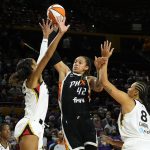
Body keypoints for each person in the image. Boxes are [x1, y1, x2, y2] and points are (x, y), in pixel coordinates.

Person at [9, 17, 70, 150]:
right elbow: (47, 56)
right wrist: (59, 34)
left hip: (37, 126)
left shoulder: (33, 79)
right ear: (32, 69)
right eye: (35, 63)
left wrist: (45, 37)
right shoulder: (32, 80)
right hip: (30, 125)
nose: (38, 64)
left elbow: (43, 56)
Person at [47, 45, 106, 149]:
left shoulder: (88, 79)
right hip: (69, 121)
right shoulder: (66, 73)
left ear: (86, 67)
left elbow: (99, 87)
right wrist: (51, 35)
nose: (76, 64)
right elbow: (52, 54)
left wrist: (99, 69)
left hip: (86, 121)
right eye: (75, 62)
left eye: (80, 62)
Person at [97, 40, 150, 150]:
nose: (128, 88)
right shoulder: (146, 114)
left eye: (131, 87)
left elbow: (104, 83)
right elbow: (135, 141)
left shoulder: (129, 101)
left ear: (136, 92)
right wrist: (112, 142)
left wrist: (105, 60)